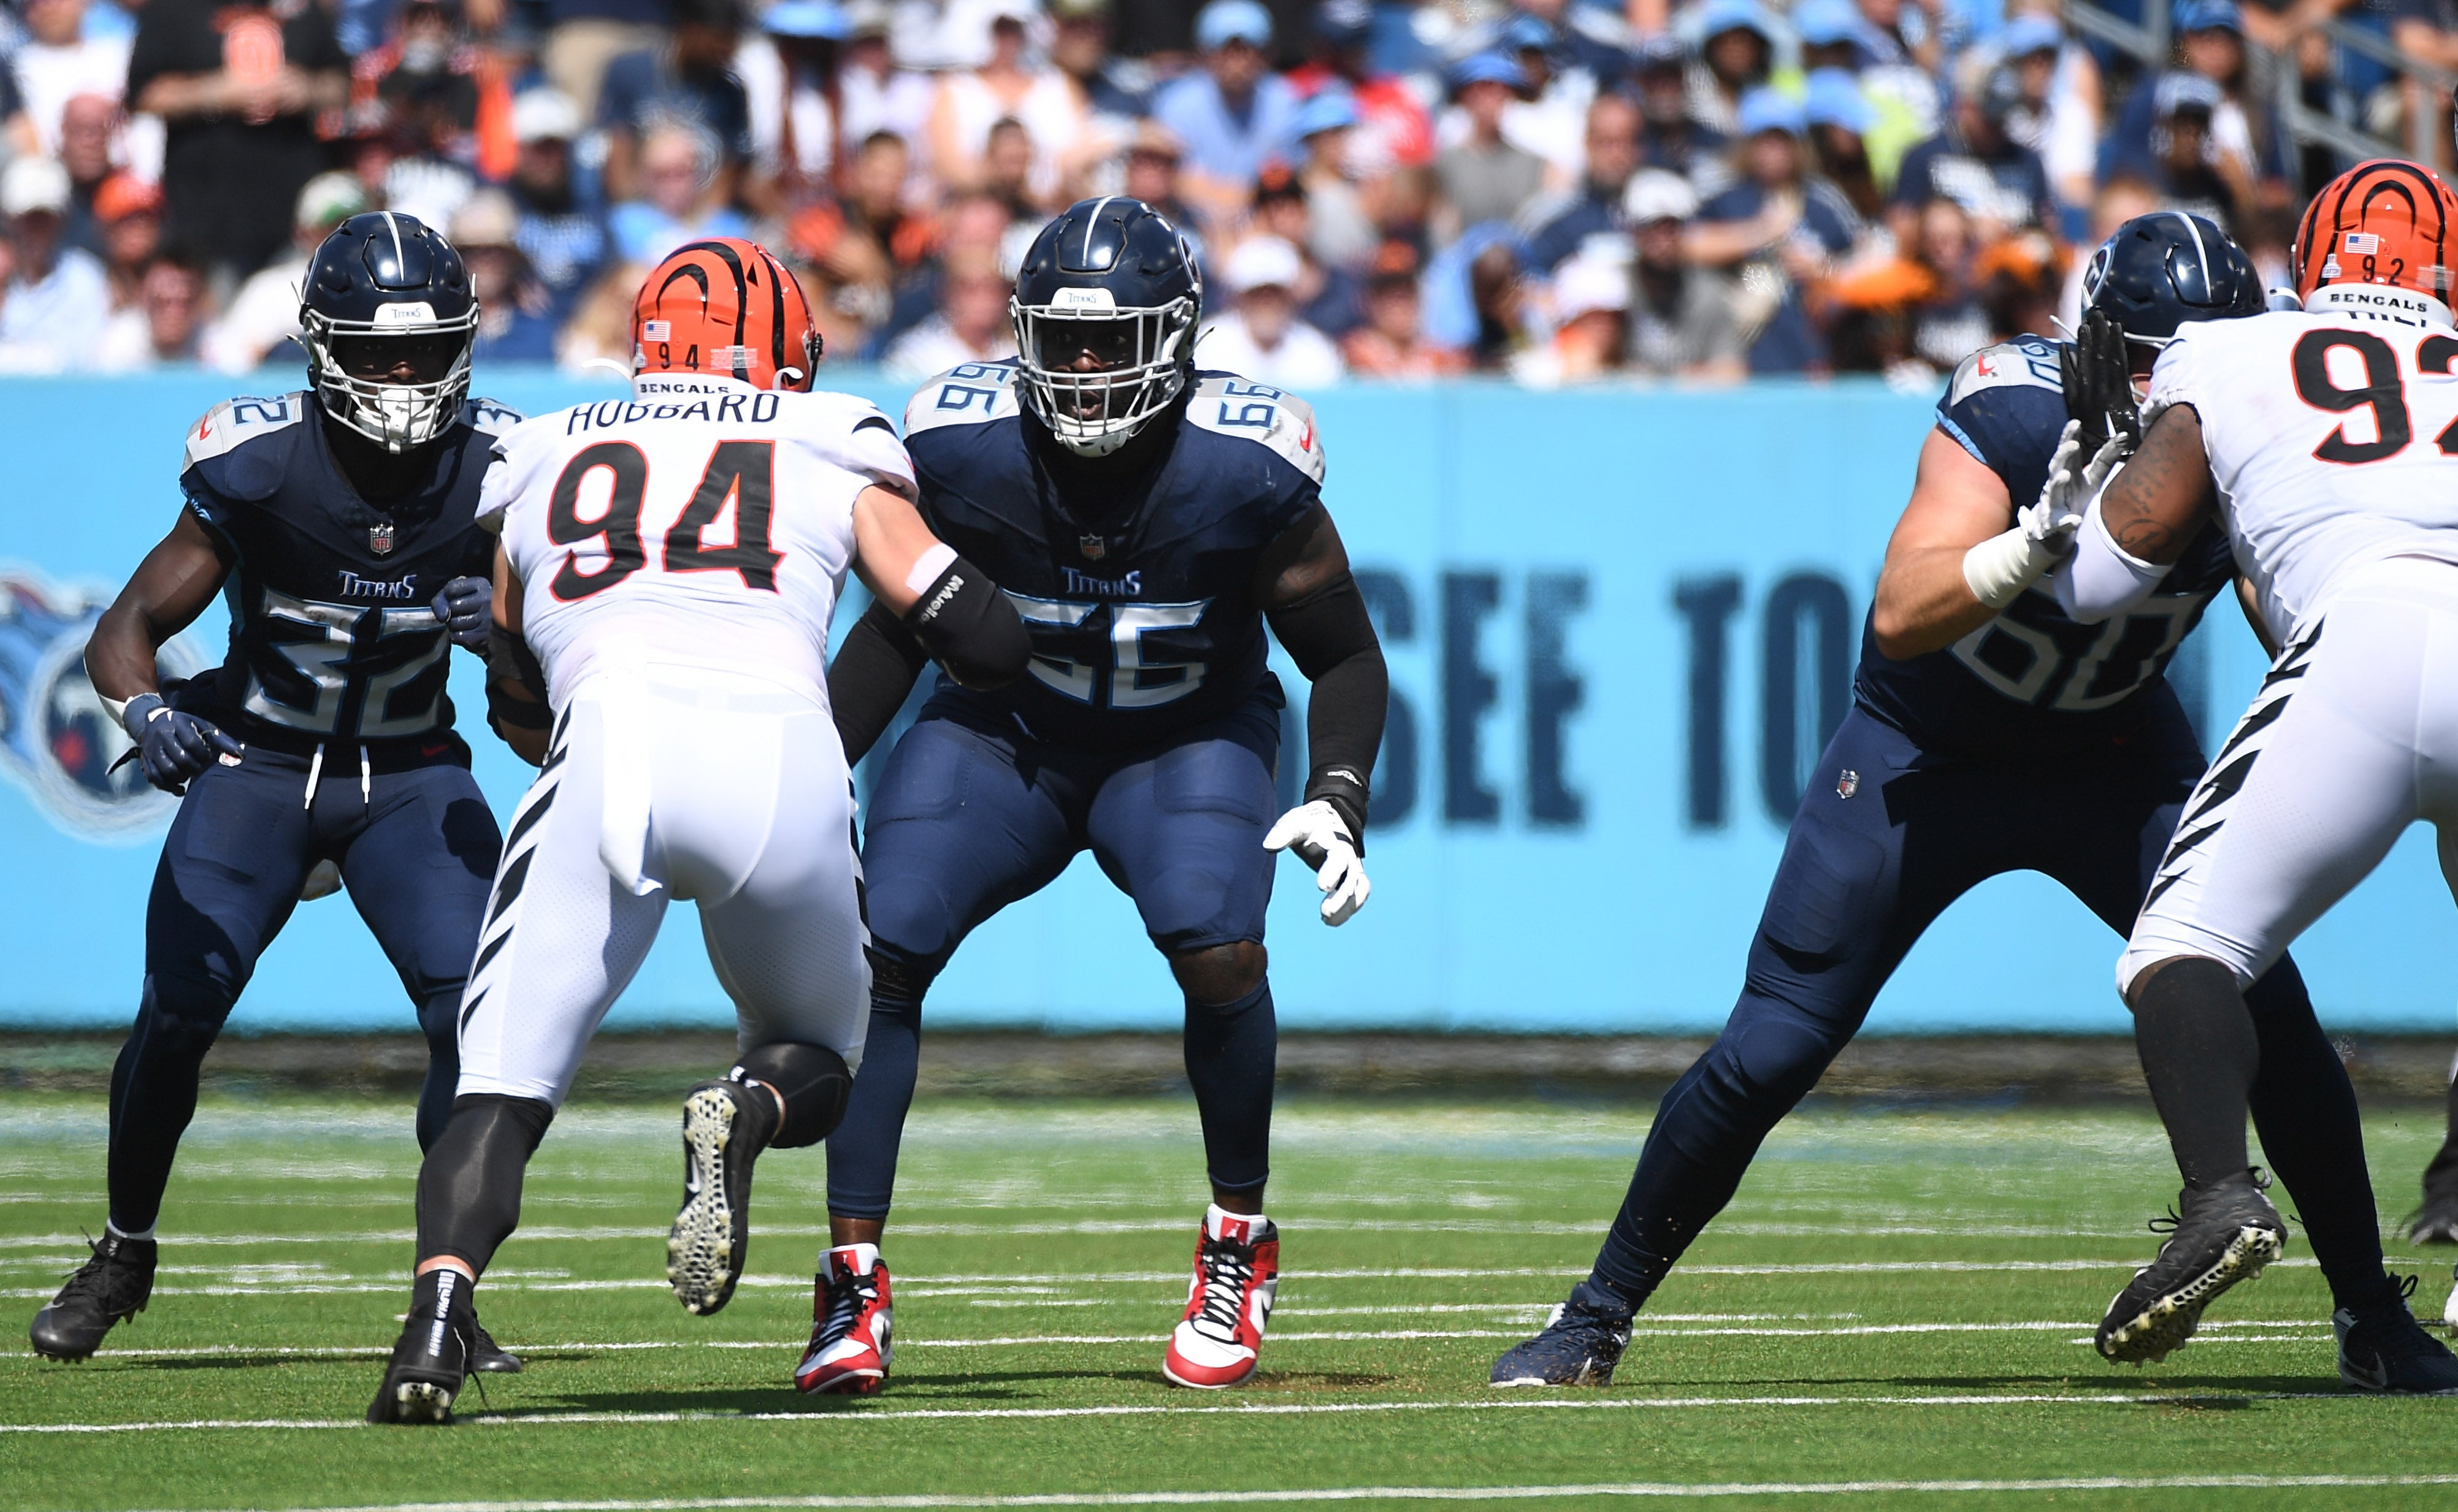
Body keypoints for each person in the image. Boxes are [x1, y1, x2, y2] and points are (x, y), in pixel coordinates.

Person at [1487, 209, 2458, 1396]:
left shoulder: (2245, 421)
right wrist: (2030, 545)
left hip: (2112, 754)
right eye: (2142, 360)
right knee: (1773, 1042)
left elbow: (2296, 623)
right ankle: (1594, 1315)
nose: (2162, 385)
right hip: (1926, 755)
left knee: (2272, 1021)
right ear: (2092, 346)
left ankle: (2371, 1317)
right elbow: (1902, 609)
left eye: (2184, 360)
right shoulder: (2013, 405)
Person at [366, 237, 1031, 1424]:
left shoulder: (539, 449)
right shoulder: (829, 437)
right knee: (822, 1055)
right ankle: (746, 1110)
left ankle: (432, 1326)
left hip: (606, 747)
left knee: (500, 1085)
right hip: (778, 754)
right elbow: (983, 641)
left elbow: (513, 695)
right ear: (783, 351)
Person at [806, 196, 1387, 1396]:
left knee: (1218, 944)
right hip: (1004, 734)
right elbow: (898, 635)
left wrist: (1338, 790)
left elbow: (1344, 656)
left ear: (1173, 340)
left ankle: (1237, 1242)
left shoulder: (1246, 464)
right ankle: (851, 1282)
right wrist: (802, 773)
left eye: (1109, 341)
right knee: (880, 950)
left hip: (1185, 735)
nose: (1081, 369)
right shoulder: (958, 447)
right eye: (1061, 341)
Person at [29, 213, 526, 1377]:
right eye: (381, 355)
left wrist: (510, 633)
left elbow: (543, 698)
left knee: (476, 1023)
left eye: (426, 351)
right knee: (178, 1010)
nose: (406, 380)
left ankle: (445, 1289)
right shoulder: (258, 465)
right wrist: (147, 714)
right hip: (257, 764)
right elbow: (127, 628)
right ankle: (124, 1249)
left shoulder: (503, 471)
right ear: (322, 349)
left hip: (409, 775)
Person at [2050, 163, 2458, 1374]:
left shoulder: (2227, 352)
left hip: (2365, 634)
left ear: (2308, 264)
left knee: (2180, 949)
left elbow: (2104, 577)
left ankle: (2220, 1196)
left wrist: (2093, 480)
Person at [126, 0, 350, 281]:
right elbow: (144, 96)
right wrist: (215, 93)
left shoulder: (300, 8)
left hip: (295, 218)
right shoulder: (173, 9)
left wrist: (308, 89)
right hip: (207, 219)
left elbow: (342, 84)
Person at [0, 155, 110, 372]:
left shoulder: (86, 278)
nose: (34, 231)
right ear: (9, 220)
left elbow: (85, 361)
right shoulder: (5, 282)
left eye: (44, 219)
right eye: (26, 219)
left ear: (61, 221)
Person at [1196, 233, 1345, 388]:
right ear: (1238, 299)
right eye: (1256, 295)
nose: (1267, 305)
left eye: (1276, 295)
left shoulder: (1317, 353)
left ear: (1293, 298)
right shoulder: (1208, 346)